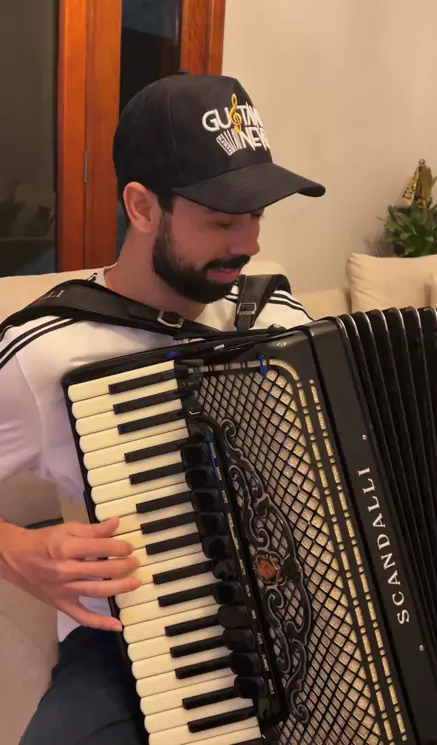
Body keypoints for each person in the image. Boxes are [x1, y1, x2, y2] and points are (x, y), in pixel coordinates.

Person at [0, 72, 325, 744]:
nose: (250, 244)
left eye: (258, 215)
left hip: (308, 621)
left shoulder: (279, 319)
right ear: (143, 208)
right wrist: (14, 548)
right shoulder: (46, 350)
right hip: (134, 637)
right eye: (223, 220)